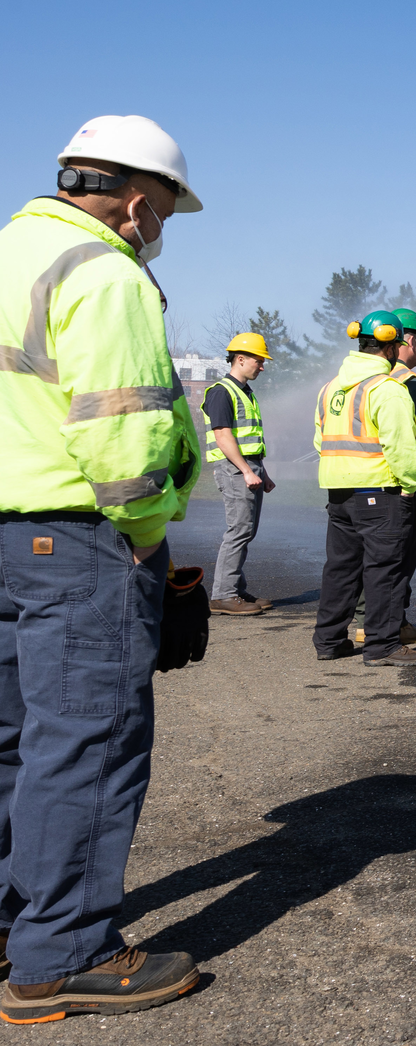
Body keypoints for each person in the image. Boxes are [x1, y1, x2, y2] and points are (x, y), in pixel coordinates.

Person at [0, 115, 205, 1021]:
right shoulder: (103, 271)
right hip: (78, 538)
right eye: (163, 212)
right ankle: (63, 955)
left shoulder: (11, 252)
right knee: (88, 738)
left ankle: (13, 926)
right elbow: (124, 434)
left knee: (14, 738)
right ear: (135, 203)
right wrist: (151, 540)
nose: (158, 230)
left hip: (6, 531)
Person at [312, 310, 416, 667]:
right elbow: (401, 446)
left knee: (341, 569)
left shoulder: (330, 388)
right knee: (384, 570)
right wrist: (409, 485)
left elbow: (320, 440)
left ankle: (329, 641)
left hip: (339, 493)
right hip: (379, 493)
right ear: (391, 347)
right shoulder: (387, 389)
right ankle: (381, 646)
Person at [349, 306, 416, 650]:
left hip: (354, 481)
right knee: (398, 555)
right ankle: (390, 624)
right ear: (409, 341)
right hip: (397, 482)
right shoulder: (407, 383)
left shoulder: (355, 380)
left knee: (363, 556)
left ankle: (363, 622)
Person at [203, 332, 277, 616]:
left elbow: (249, 441)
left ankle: (235, 589)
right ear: (241, 359)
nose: (262, 367)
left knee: (246, 531)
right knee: (239, 531)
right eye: (259, 361)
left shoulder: (245, 392)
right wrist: (246, 470)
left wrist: (262, 472)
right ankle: (223, 595)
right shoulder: (221, 392)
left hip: (247, 467)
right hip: (234, 469)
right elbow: (223, 437)